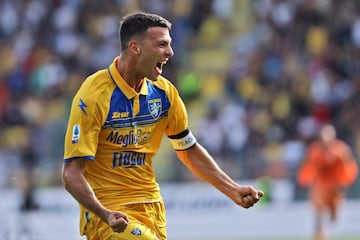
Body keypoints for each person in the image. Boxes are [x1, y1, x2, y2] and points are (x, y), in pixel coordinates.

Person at [62, 12, 264, 240]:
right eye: (162, 45)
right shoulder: (95, 94)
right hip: (109, 211)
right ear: (135, 47)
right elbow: (71, 174)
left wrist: (232, 189)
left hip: (152, 208)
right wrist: (104, 213)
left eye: (169, 45)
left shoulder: (165, 93)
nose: (170, 53)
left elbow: (188, 150)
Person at [297, 124, 358, 240]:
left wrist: (345, 181)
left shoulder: (341, 150)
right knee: (318, 213)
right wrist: (305, 180)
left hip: (335, 187)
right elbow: (308, 166)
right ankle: (319, 234)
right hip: (320, 186)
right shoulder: (314, 150)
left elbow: (349, 167)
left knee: (334, 216)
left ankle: (331, 218)